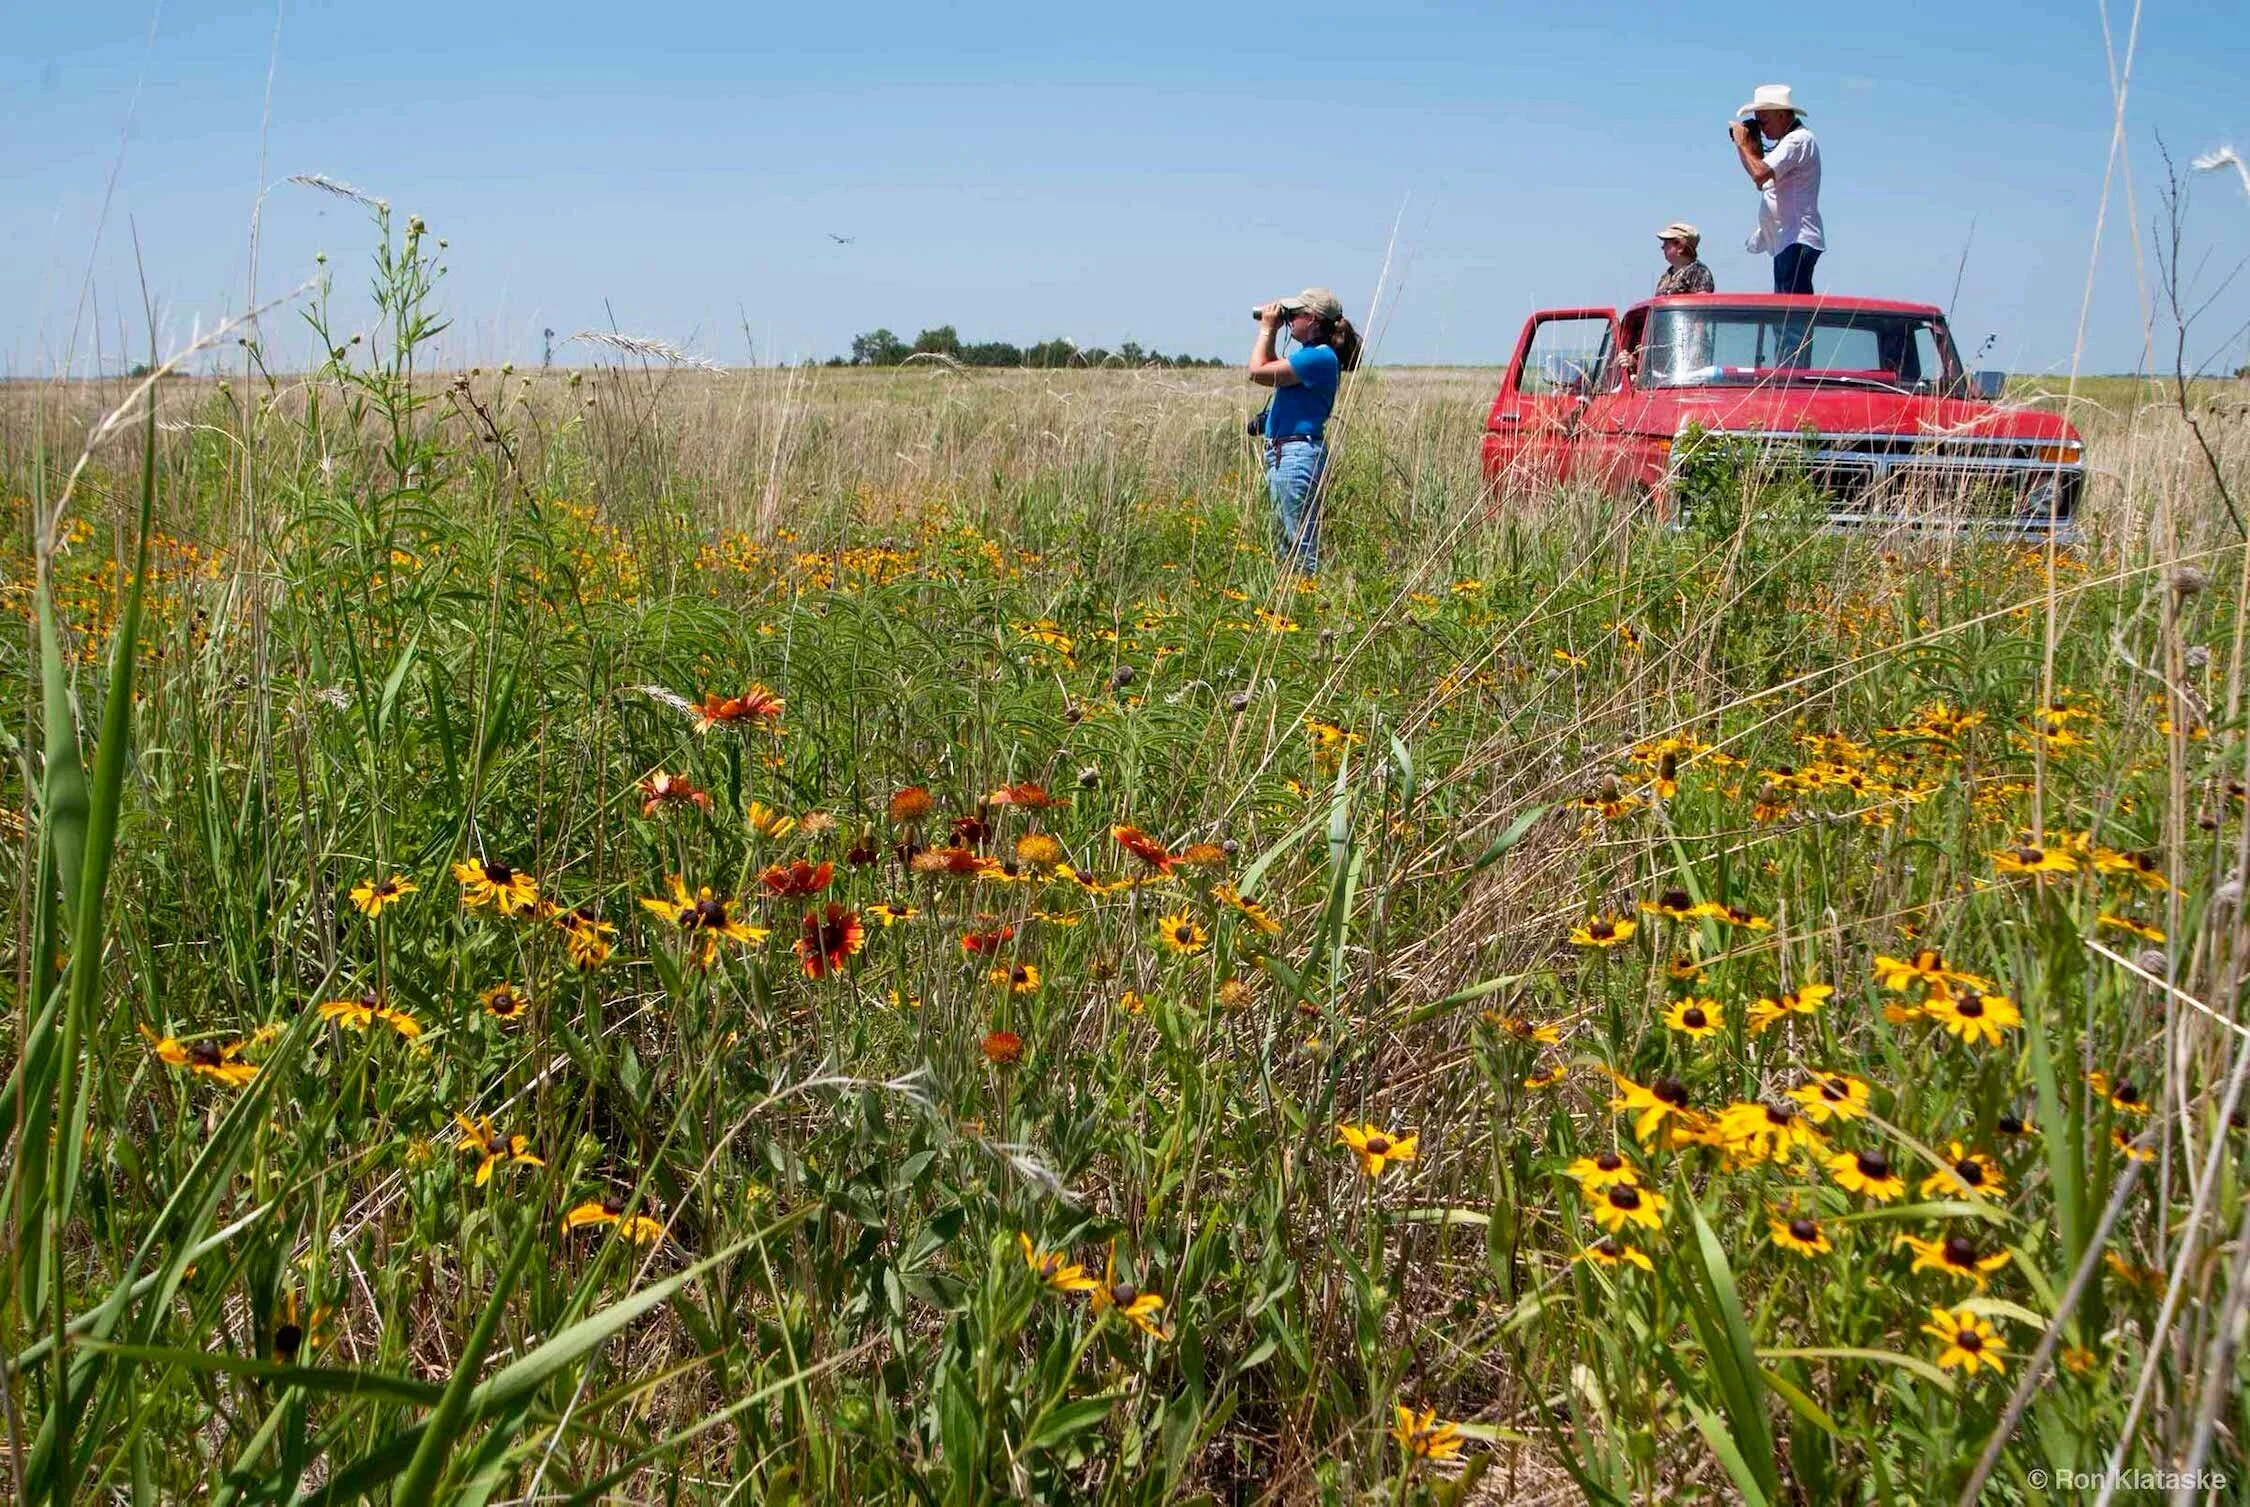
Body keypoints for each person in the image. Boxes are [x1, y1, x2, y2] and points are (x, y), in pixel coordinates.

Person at [1247, 286, 1360, 573]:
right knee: (1288, 541)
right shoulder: (1311, 355)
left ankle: (1306, 601)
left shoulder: (1319, 357)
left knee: (1298, 545)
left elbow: (1258, 371)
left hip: (1296, 455)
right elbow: (1272, 369)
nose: (1288, 320)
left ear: (1312, 319)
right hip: (1287, 453)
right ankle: (1297, 601)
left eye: (1293, 314)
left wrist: (1267, 329)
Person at [1730, 84, 1824, 294]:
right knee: (1785, 316)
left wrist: (1742, 145)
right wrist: (1747, 147)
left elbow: (1759, 173)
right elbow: (1761, 181)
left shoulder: (1797, 141)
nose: (1761, 129)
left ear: (1781, 115)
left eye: (1764, 121)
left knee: (1792, 318)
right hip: (1786, 239)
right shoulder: (1789, 142)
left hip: (1797, 238)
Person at [1653, 222, 1715, 295]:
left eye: (1666, 243)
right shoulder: (1667, 275)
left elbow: (1702, 303)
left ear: (1680, 246)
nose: (1662, 247)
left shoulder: (1699, 272)